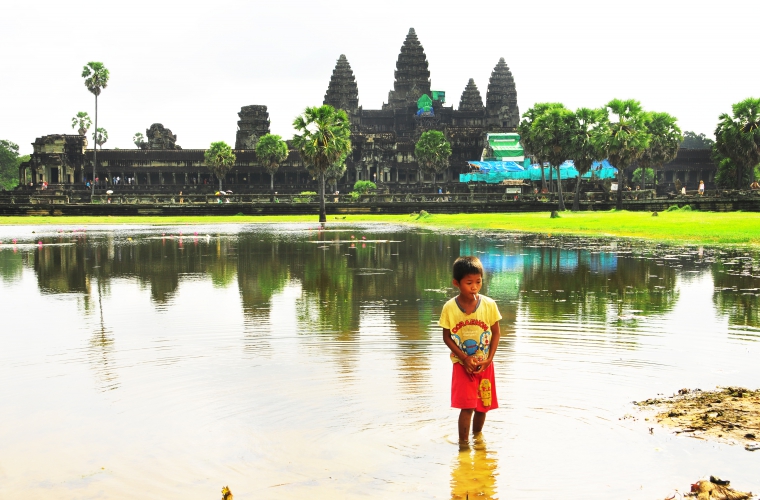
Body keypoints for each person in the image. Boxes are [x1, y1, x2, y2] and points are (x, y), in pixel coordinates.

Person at [439, 256, 502, 446]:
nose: (474, 287)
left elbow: (496, 333)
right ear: (456, 283)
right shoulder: (450, 308)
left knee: (483, 406)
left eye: (478, 282)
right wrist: (464, 358)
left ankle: (477, 438)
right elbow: (447, 337)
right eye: (469, 283)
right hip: (462, 364)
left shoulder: (489, 305)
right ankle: (464, 447)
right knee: (467, 408)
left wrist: (489, 359)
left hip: (484, 364)